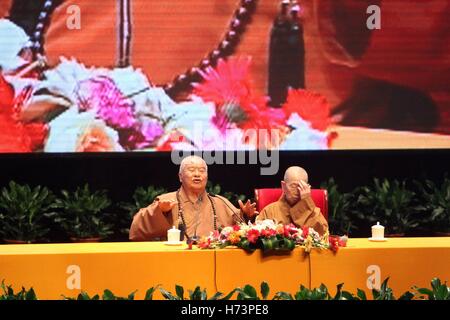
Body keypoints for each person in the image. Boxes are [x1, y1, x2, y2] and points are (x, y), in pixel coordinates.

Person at [129, 155, 257, 241]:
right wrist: (160, 211)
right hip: (175, 261)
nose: (197, 174)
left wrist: (245, 215)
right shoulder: (166, 200)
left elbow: (241, 231)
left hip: (214, 263)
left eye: (202, 171)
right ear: (180, 176)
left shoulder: (220, 202)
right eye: (191, 170)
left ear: (206, 176)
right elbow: (137, 228)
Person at [256, 166, 328, 235]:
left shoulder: (313, 212)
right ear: (283, 186)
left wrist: (306, 203)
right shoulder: (269, 211)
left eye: (301, 187)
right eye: (293, 186)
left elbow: (324, 235)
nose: (297, 190)